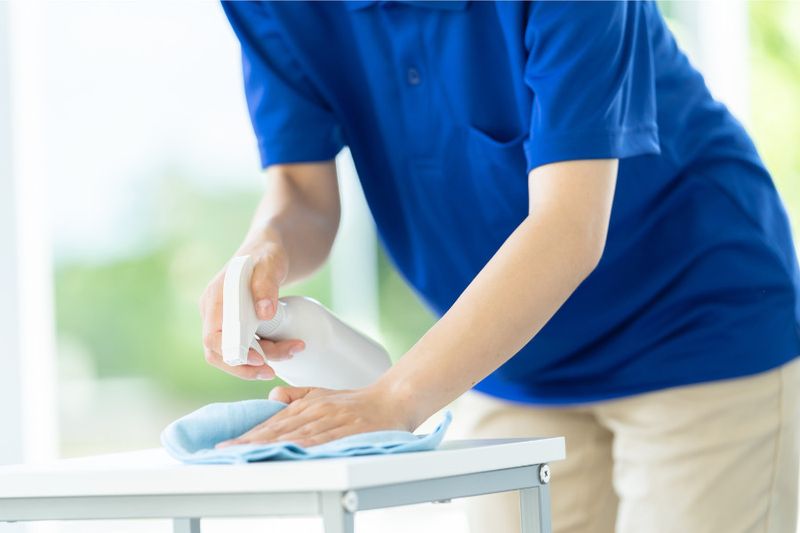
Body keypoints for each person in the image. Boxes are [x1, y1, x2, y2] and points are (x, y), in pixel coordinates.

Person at [198, 2, 800, 532]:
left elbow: (568, 228)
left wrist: (393, 400)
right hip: (510, 357)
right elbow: (302, 192)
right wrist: (264, 249)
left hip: (696, 328)